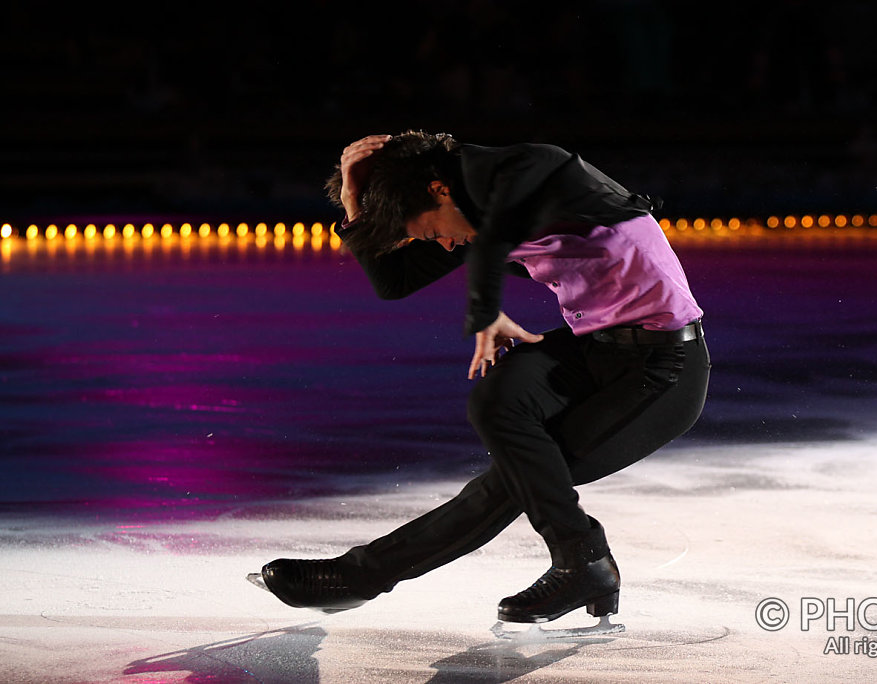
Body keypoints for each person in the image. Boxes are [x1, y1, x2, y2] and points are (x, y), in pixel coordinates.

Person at [259, 131, 710, 625]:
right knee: (496, 402)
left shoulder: (543, 169)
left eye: (433, 234)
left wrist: (484, 308)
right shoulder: (464, 215)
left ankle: (365, 576)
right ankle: (581, 561)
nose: (448, 246)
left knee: (510, 483)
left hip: (663, 369)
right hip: (592, 350)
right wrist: (352, 202)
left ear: (438, 189)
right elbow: (394, 280)